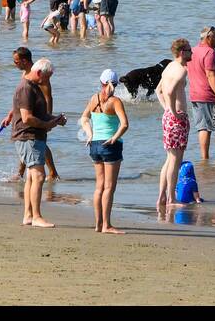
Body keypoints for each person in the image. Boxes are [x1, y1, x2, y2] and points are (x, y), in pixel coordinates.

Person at [12, 58, 67, 228]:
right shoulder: (26, 88)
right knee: (39, 176)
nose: (48, 81)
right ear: (38, 73)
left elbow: (38, 114)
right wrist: (48, 124)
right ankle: (36, 216)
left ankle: (28, 215)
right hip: (28, 136)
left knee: (31, 177)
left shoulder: (33, 87)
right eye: (47, 77)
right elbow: (27, 118)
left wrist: (55, 119)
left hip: (33, 136)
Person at [79, 68, 128, 234]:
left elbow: (84, 118)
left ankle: (98, 224)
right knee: (109, 187)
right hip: (110, 145)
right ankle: (107, 225)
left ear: (101, 82)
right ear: (115, 84)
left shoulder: (94, 98)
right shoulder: (115, 101)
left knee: (99, 186)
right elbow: (125, 124)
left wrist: (90, 133)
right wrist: (114, 138)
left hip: (94, 145)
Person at [156, 39, 192, 213]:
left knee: (169, 159)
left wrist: (167, 111)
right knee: (175, 160)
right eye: (189, 50)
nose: (192, 53)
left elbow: (158, 91)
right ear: (182, 52)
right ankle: (171, 198)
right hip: (176, 119)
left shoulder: (169, 67)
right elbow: (168, 92)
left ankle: (162, 196)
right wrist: (174, 112)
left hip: (169, 118)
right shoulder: (181, 70)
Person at [186, 26, 215, 161]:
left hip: (196, 95)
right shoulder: (209, 52)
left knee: (203, 128)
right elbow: (210, 74)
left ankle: (204, 158)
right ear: (208, 38)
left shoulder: (192, 51)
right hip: (210, 96)